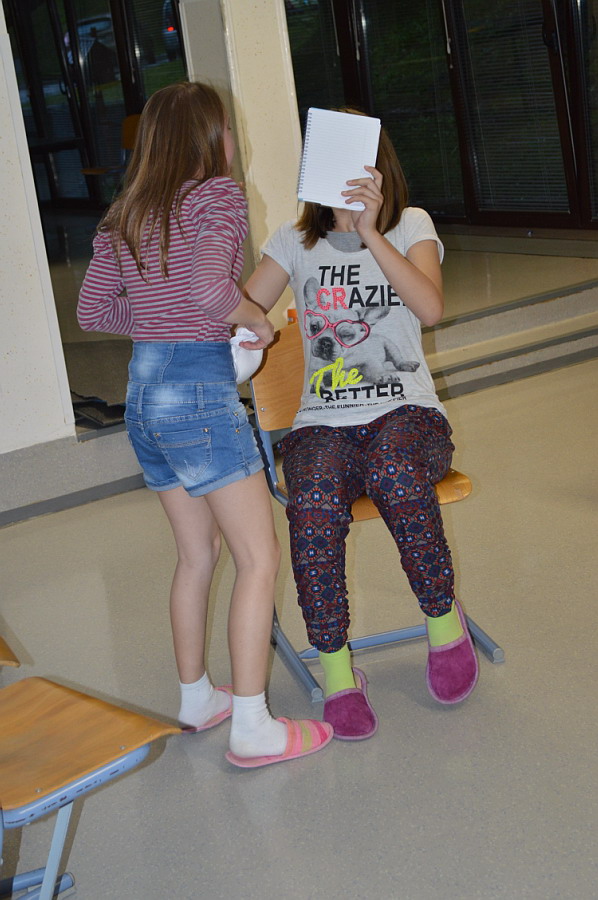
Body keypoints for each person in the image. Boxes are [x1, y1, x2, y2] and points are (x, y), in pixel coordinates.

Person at [77, 82, 332, 767]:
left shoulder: (126, 211)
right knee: (258, 557)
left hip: (143, 396)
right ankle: (252, 726)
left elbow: (93, 311)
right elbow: (210, 292)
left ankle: (197, 699)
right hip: (196, 396)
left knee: (197, 556)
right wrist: (258, 322)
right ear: (211, 137)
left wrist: (160, 322)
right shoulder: (217, 196)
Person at [243, 111, 479, 740]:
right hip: (322, 422)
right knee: (314, 500)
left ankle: (443, 621)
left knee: (394, 469)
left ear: (380, 164)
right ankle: (338, 671)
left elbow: (430, 307)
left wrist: (372, 232)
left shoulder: (411, 224)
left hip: (409, 414)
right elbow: (243, 309)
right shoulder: (292, 241)